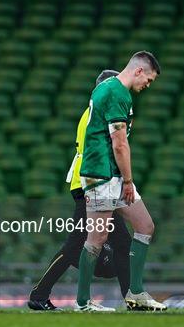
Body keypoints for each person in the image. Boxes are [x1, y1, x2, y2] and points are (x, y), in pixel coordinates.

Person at [28, 70, 132, 311]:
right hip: (90, 185)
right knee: (76, 245)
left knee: (121, 242)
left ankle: (131, 298)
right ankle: (39, 294)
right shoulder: (97, 115)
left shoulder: (92, 113)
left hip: (89, 184)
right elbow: (98, 155)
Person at [77, 51, 167, 312]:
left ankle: (136, 293)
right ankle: (83, 302)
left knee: (145, 225)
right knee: (97, 238)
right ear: (138, 71)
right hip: (102, 173)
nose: (147, 86)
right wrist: (128, 180)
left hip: (112, 174)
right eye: (148, 80)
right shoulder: (118, 93)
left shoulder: (107, 87)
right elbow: (119, 143)